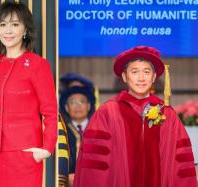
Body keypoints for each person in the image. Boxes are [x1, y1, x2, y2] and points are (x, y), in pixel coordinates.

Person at [74, 46, 197, 187]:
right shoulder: (108, 112)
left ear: (154, 77)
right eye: (134, 72)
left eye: (146, 72)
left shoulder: (167, 114)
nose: (141, 78)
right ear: (125, 77)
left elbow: (179, 164)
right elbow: (94, 168)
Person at [0, 2, 57, 187]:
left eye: (15, 24)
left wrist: (46, 149)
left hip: (24, 153)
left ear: (25, 29)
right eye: (2, 25)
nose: (8, 31)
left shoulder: (38, 65)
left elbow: (50, 112)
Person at [59, 86, 95, 186]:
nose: (77, 106)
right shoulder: (60, 131)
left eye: (81, 102)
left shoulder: (100, 128)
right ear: (66, 107)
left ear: (88, 106)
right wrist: (66, 177)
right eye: (73, 102)